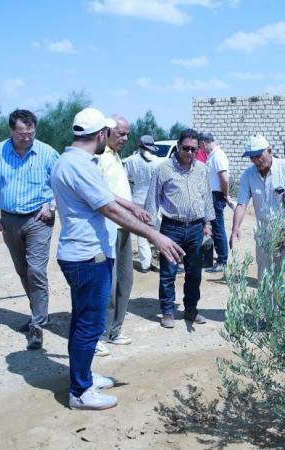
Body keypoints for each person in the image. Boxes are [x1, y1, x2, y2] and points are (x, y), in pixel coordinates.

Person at [51, 107, 184, 410]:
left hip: (85, 253)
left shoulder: (73, 160)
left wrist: (132, 207)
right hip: (87, 256)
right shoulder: (80, 165)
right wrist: (155, 235)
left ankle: (83, 376)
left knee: (82, 321)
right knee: (89, 325)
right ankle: (80, 392)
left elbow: (108, 198)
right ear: (100, 135)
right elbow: (107, 209)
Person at [0, 109, 59, 351]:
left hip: (39, 219)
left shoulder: (47, 153)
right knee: (23, 270)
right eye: (22, 133)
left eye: (31, 133)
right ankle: (39, 313)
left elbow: (63, 183)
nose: (27, 137)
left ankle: (37, 326)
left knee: (36, 270)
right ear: (11, 130)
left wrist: (51, 206)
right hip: (10, 219)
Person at [145, 128, 215, 329]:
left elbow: (207, 198)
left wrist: (208, 224)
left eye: (194, 149)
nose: (190, 153)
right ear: (178, 146)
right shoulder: (163, 169)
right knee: (168, 272)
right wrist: (151, 230)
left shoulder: (202, 169)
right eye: (186, 148)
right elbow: (152, 200)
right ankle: (167, 311)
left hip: (195, 228)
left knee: (194, 273)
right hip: (171, 228)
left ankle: (191, 310)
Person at [230, 134, 285, 280]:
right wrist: (235, 228)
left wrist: (284, 232)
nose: (256, 160)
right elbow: (241, 204)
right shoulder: (248, 175)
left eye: (259, 155)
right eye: (252, 157)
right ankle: (268, 304)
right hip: (265, 233)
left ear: (269, 151)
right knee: (265, 279)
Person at [94, 115, 134, 357]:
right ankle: (98, 335)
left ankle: (115, 330)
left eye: (127, 134)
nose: (125, 138)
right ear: (107, 132)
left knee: (125, 281)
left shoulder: (114, 156)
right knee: (107, 285)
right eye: (121, 134)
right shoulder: (99, 158)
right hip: (108, 228)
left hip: (124, 226)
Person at [124, 135, 161, 273]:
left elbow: (126, 179)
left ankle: (145, 264)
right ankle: (162, 261)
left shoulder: (130, 160)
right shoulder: (158, 162)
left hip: (138, 199)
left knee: (141, 233)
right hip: (154, 201)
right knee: (158, 231)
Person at [200, 132, 234, 273]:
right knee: (215, 228)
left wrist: (225, 195)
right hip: (212, 195)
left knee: (218, 228)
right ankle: (221, 258)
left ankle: (222, 261)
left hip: (216, 195)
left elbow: (224, 179)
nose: (200, 148)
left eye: (200, 145)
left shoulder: (218, 156)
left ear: (204, 142)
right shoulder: (213, 156)